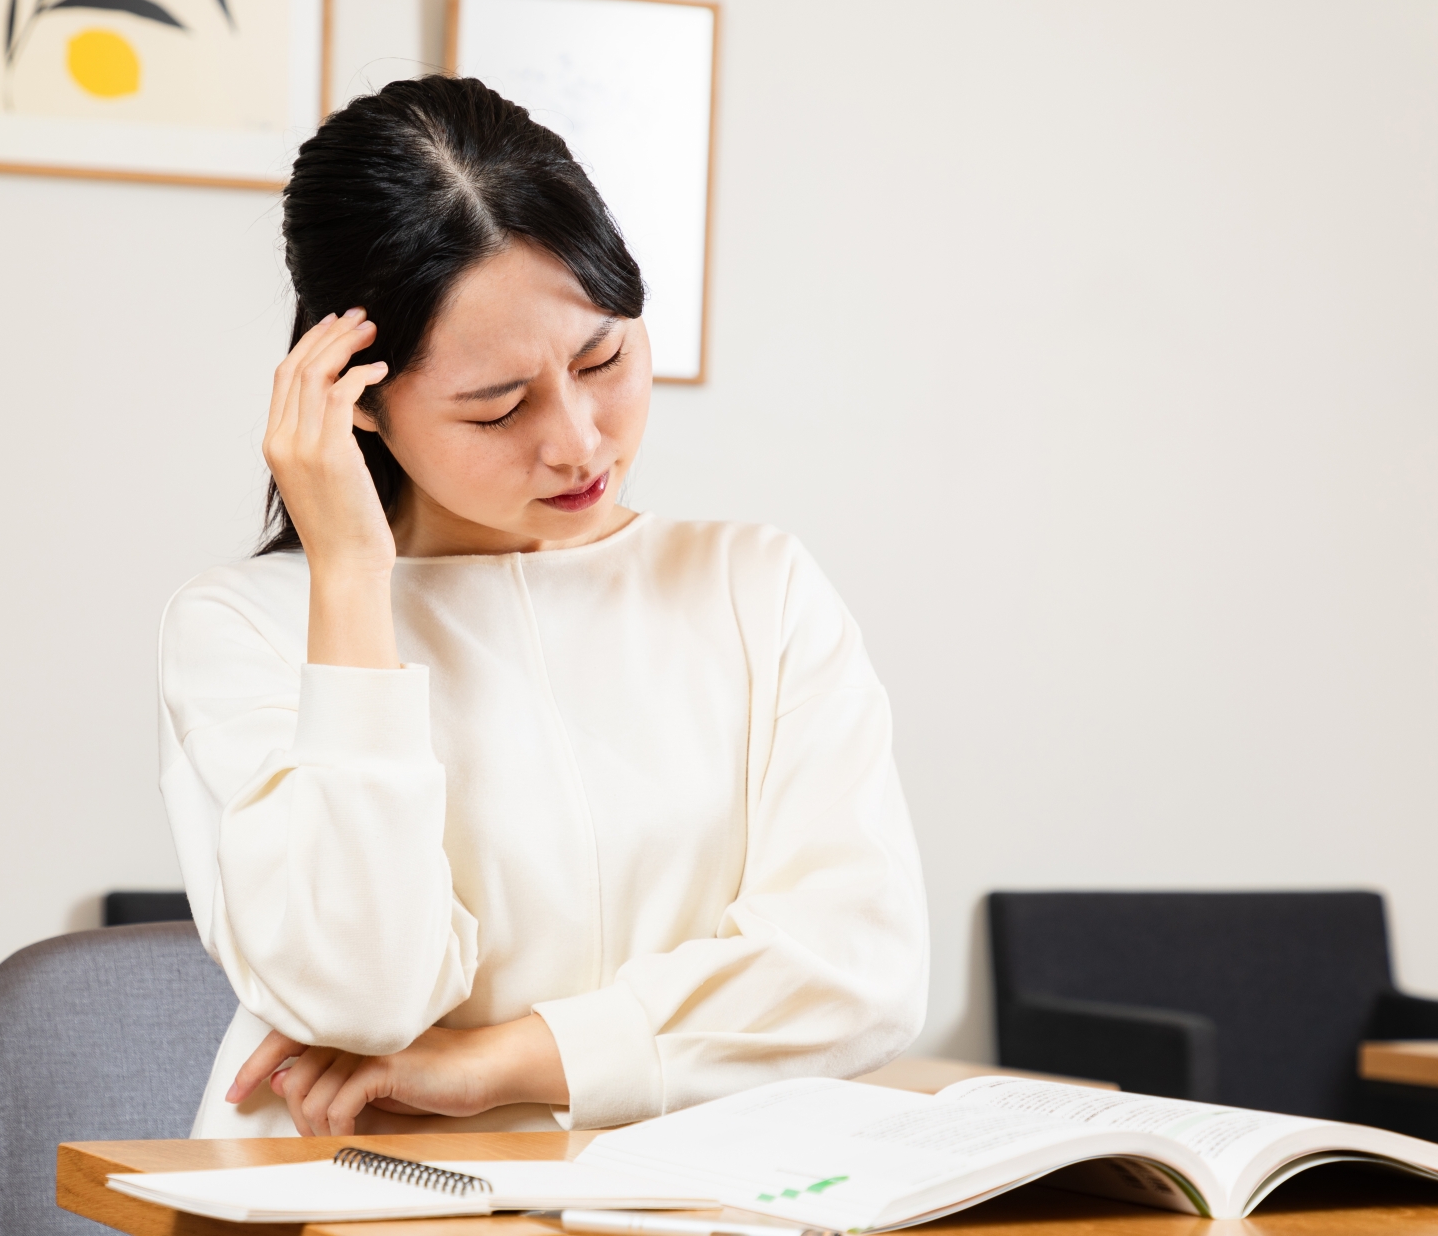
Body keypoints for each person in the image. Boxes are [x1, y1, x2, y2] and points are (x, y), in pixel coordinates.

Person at [158, 75, 929, 1139]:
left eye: (602, 356)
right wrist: (351, 577)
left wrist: (502, 1062)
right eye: (498, 407)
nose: (578, 441)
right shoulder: (244, 627)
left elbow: (859, 966)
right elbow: (358, 991)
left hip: (684, 1200)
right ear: (359, 402)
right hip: (353, 1193)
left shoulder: (758, 585)